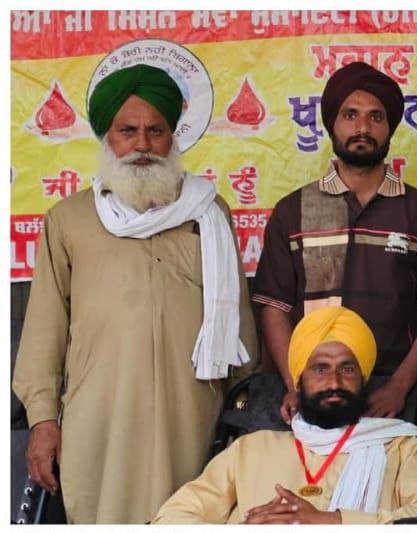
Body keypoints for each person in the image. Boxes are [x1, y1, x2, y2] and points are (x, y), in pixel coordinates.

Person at [13, 63, 258, 523]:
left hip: (191, 415)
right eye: (127, 131)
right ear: (108, 137)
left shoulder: (208, 213)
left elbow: (238, 324)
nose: (142, 144)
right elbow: (45, 328)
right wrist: (42, 420)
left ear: (173, 138)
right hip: (101, 416)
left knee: (193, 512)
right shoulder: (69, 219)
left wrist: (248, 411)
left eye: (155, 131)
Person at [254, 61, 417, 426]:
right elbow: (274, 308)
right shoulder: (293, 211)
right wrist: (295, 385)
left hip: (391, 394)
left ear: (390, 128)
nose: (362, 128)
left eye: (376, 117)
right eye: (350, 115)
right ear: (332, 124)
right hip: (313, 394)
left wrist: (401, 385)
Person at [151, 307, 417, 524]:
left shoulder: (400, 448)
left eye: (348, 368)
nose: (334, 382)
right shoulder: (250, 448)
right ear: (298, 379)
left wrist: (333, 521)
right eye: (320, 369)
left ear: (363, 377)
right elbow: (171, 517)